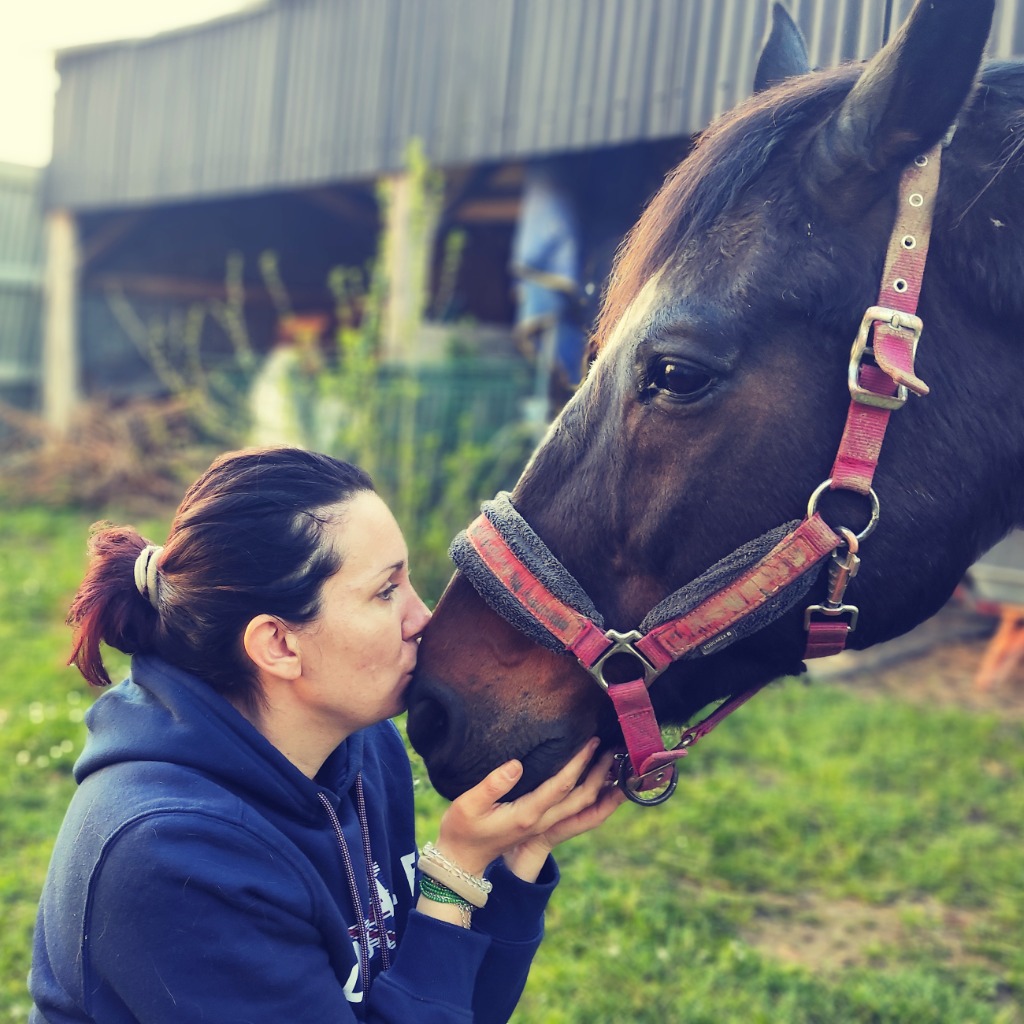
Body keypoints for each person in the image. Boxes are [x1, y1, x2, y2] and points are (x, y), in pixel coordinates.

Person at [28, 446, 624, 1024]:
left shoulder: (362, 751)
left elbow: (460, 1008)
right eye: (386, 591)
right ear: (279, 644)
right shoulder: (170, 858)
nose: (424, 619)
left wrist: (519, 855)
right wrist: (454, 875)